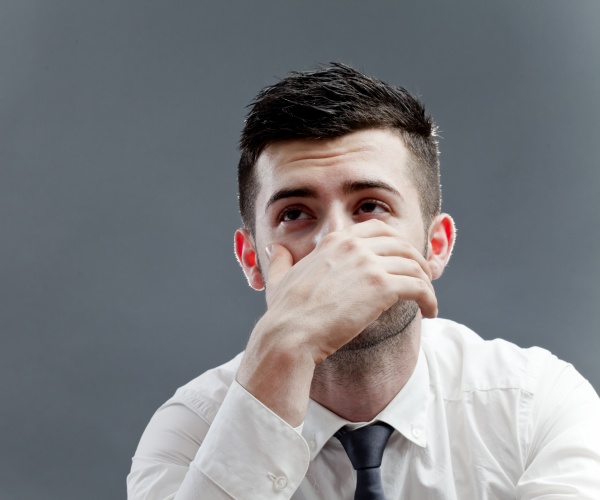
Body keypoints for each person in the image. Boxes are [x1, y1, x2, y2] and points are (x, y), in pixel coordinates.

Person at [127, 63, 600, 499]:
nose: (339, 244)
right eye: (294, 214)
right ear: (252, 258)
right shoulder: (190, 434)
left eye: (371, 207)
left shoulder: (538, 405)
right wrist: (283, 346)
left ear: (434, 245)